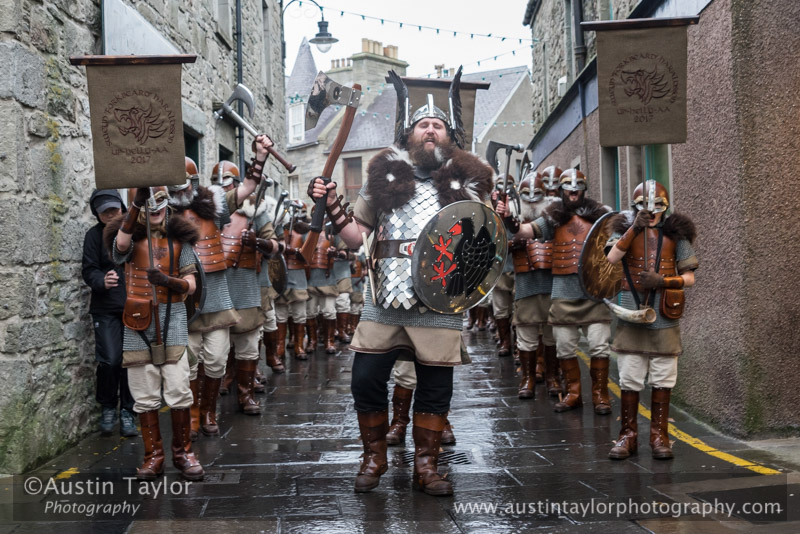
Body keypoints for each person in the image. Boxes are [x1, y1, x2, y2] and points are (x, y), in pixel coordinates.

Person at [309, 69, 493, 496]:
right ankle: (374, 456)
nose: (430, 130)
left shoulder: (467, 182)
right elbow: (356, 236)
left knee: (435, 384)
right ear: (410, 133)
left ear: (449, 135)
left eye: (438, 125)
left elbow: (485, 238)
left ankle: (426, 465)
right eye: (423, 125)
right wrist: (333, 205)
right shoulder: (385, 176)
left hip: (441, 297)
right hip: (385, 296)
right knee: (365, 378)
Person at [167, 146, 269, 437]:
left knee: (216, 360)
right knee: (188, 364)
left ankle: (210, 411)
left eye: (184, 183)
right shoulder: (162, 213)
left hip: (217, 300)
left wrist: (259, 159)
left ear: (194, 182)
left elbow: (247, 187)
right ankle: (194, 415)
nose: (180, 189)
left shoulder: (213, 205)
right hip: (184, 301)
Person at [105, 186, 203, 481]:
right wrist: (135, 206)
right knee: (145, 395)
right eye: (148, 203)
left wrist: (168, 281)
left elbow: (192, 284)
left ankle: (183, 453)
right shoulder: (131, 238)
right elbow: (120, 248)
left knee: (178, 389)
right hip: (138, 322)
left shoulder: (180, 241)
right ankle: (154, 457)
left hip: (172, 321)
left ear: (168, 204)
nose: (155, 207)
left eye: (160, 201)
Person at [497, 168, 613, 414]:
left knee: (599, 346)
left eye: (578, 187)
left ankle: (600, 395)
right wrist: (509, 219)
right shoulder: (554, 217)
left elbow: (618, 242)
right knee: (564, 347)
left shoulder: (600, 215)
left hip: (593, 292)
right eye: (569, 188)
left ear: (584, 189)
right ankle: (573, 394)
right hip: (563, 294)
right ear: (561, 190)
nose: (573, 192)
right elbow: (524, 232)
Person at [606, 180, 698, 460]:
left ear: (666, 207)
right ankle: (628, 436)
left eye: (658, 206)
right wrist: (635, 228)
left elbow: (690, 278)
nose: (652, 211)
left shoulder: (676, 237)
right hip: (631, 314)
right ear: (635, 207)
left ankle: (659, 436)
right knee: (630, 376)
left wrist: (664, 280)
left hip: (664, 315)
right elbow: (612, 258)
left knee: (663, 377)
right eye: (646, 206)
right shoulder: (626, 231)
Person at [221, 154, 281, 416]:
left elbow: (275, 245)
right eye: (217, 183)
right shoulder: (207, 211)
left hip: (248, 282)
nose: (223, 188)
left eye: (227, 183)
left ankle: (245, 394)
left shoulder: (256, 212)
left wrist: (258, 242)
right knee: (217, 347)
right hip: (218, 285)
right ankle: (223, 379)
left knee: (247, 341)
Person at [83, 189, 138, 437]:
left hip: (136, 307)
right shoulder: (93, 236)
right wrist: (101, 280)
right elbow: (89, 269)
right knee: (109, 360)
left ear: (122, 207)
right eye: (104, 211)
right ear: (97, 213)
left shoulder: (136, 230)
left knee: (131, 361)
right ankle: (107, 406)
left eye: (114, 209)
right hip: (105, 308)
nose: (110, 214)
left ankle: (128, 411)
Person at [508, 170, 560, 400]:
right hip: (526, 280)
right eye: (526, 193)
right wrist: (511, 242)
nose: (531, 197)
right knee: (526, 332)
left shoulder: (554, 217)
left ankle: (552, 376)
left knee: (551, 334)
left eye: (536, 192)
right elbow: (499, 245)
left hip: (551, 282)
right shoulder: (512, 216)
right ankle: (527, 378)